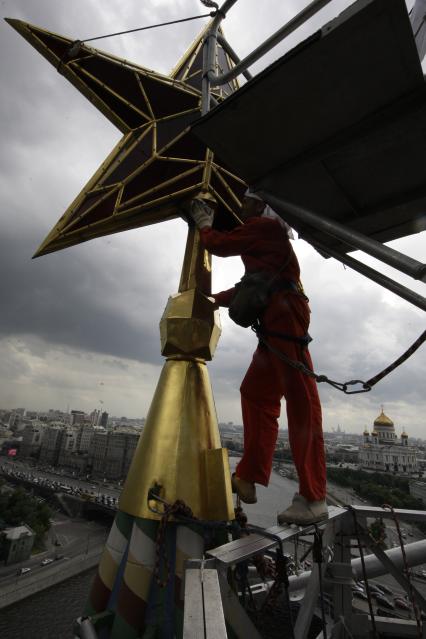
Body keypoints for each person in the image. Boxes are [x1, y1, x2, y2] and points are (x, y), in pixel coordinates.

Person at [189, 190, 327, 526]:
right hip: (277, 318)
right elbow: (252, 287)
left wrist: (205, 225)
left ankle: (313, 496)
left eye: (245, 201)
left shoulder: (264, 228)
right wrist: (210, 299)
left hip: (283, 318)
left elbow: (219, 246)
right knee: (256, 393)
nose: (240, 206)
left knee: (301, 404)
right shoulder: (265, 242)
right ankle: (248, 476)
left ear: (261, 203)